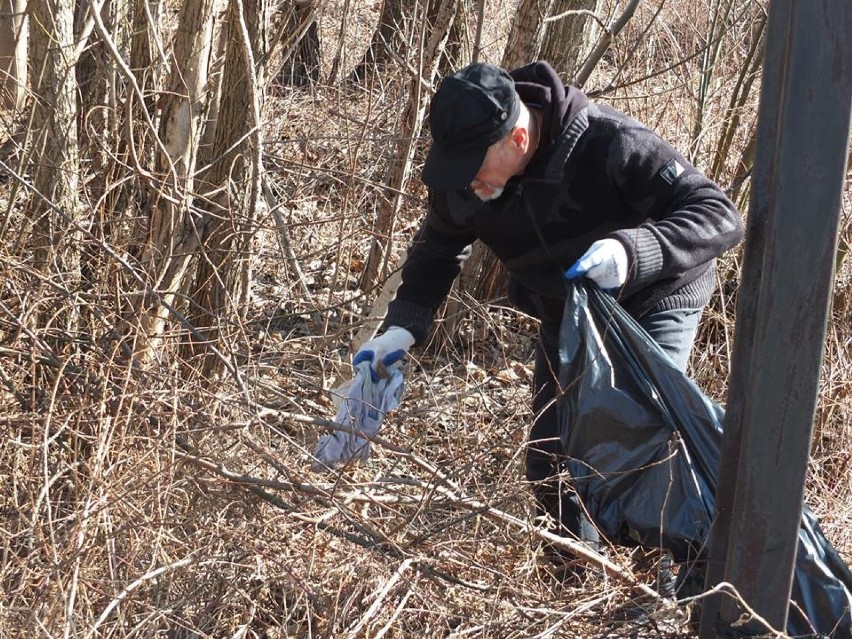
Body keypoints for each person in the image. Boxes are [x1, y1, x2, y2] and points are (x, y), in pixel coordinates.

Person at [353, 61, 744, 574]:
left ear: (518, 138)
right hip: (565, 310)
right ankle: (577, 581)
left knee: (639, 443)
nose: (468, 183)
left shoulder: (609, 143)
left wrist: (631, 252)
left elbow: (717, 213)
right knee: (552, 457)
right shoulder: (463, 175)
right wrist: (402, 328)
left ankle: (666, 582)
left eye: (475, 168)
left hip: (654, 298)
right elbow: (437, 249)